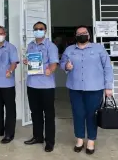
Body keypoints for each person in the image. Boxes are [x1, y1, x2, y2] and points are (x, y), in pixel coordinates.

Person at [60, 25, 113, 155]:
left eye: (84, 32)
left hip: (95, 88)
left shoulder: (98, 48)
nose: (82, 34)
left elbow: (107, 67)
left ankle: (91, 141)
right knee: (78, 114)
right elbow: (62, 64)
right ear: (76, 36)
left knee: (91, 115)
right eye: (79, 33)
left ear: (88, 35)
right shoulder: (69, 49)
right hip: (75, 88)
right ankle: (79, 140)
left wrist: (108, 87)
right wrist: (66, 66)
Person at [23, 21, 59, 153]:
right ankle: (37, 137)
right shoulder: (30, 45)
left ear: (45, 30)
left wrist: (51, 69)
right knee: (35, 113)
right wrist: (27, 61)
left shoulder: (51, 46)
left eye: (41, 29)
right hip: (32, 84)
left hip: (46, 86)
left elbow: (54, 63)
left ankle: (50, 142)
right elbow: (29, 60)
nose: (38, 30)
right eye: (36, 29)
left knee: (48, 115)